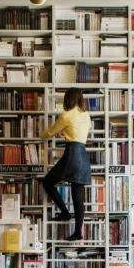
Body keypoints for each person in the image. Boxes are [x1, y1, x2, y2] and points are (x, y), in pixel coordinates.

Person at [39, 88, 92, 241]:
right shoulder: (86, 115)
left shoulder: (66, 115)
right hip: (83, 155)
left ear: (68, 99)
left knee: (48, 182)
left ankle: (65, 212)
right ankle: (78, 232)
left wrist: (40, 135)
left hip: (72, 154)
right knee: (78, 197)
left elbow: (50, 133)